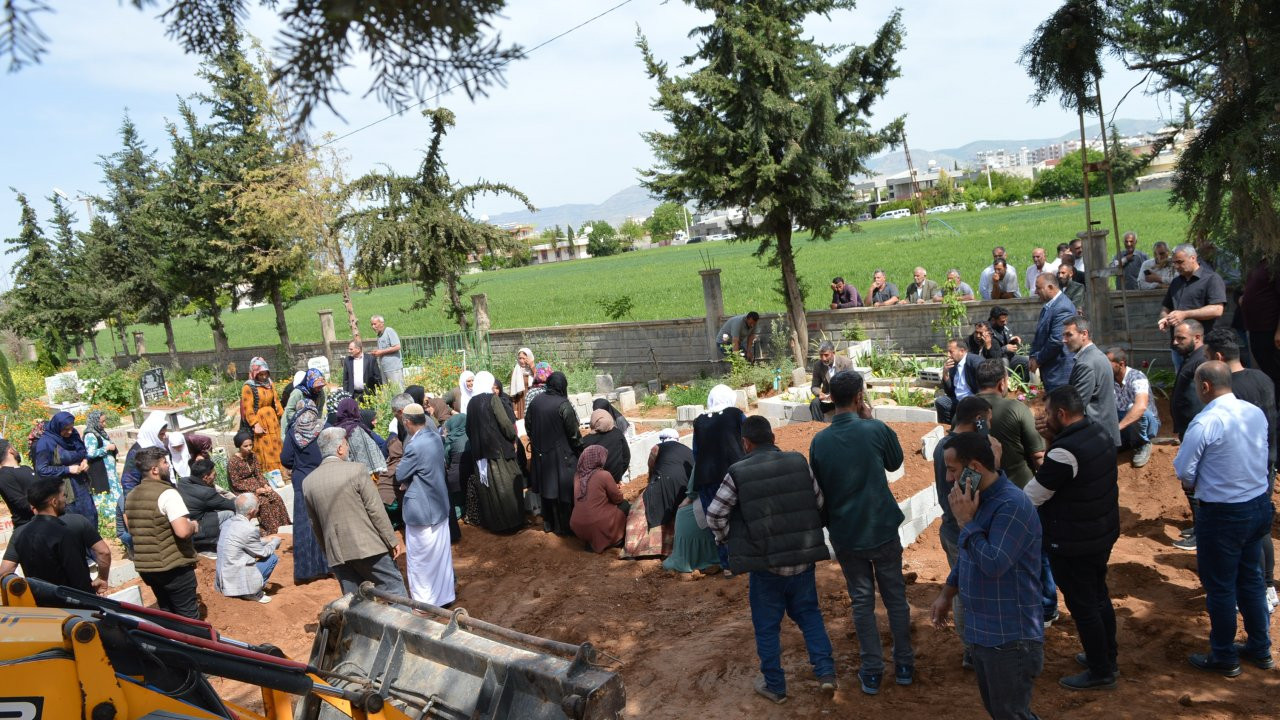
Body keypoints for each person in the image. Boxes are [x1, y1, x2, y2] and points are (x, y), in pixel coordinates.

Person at [706, 415, 836, 704]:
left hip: (766, 566)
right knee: (810, 615)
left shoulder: (737, 472)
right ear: (773, 438)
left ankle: (775, 686)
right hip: (802, 560)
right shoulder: (798, 461)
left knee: (767, 626)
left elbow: (714, 514)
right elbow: (818, 502)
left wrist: (728, 537)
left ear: (745, 443)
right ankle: (826, 673)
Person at [809, 371, 912, 694]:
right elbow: (895, 463)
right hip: (881, 528)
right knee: (895, 599)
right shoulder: (875, 429)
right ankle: (905, 665)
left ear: (830, 399)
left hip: (846, 533)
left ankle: (871, 670)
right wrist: (872, 418)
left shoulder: (820, 441)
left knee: (862, 601)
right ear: (859, 398)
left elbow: (820, 490)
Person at [930, 432, 1044, 720]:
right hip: (985, 632)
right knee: (1000, 711)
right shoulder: (977, 499)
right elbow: (969, 555)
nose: (948, 479)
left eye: (953, 470)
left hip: (1009, 639)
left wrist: (966, 522)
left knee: (1010, 714)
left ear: (976, 468)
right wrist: (947, 593)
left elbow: (993, 563)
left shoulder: (1011, 506)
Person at [1174, 361, 1274, 675]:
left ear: (1204, 386)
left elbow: (1184, 471)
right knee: (1252, 581)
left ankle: (1224, 656)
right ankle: (1260, 649)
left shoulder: (1206, 422)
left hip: (1224, 514)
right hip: (1257, 505)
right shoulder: (1253, 412)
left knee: (1220, 587)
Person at [1024, 386, 1121, 689]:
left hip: (1074, 541)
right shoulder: (1098, 431)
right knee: (1098, 596)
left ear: (1061, 415)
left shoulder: (1066, 453)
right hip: (1100, 534)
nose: (1043, 416)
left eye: (1047, 412)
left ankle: (1101, 671)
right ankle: (1107, 656)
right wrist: (1050, 439)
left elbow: (1032, 496)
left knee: (1084, 607)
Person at [1203, 328, 1278, 611]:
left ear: (1219, 357)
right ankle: (1268, 587)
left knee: (1240, 536)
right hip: (1266, 463)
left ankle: (1253, 589)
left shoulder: (1228, 391)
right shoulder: (1263, 378)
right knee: (1261, 530)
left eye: (1208, 357)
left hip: (1242, 472)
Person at [303, 428, 406, 595]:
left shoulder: (308, 482)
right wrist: (391, 540)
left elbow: (315, 524)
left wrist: (329, 551)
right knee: (393, 589)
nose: (348, 448)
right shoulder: (357, 470)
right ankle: (404, 622)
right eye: (346, 444)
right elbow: (375, 510)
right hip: (369, 547)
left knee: (355, 601)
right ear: (340, 449)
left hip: (338, 554)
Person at [933, 396, 995, 669]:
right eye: (988, 420)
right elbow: (973, 490)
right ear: (979, 419)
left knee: (961, 588)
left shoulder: (943, 445)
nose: (989, 425)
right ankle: (972, 649)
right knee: (964, 589)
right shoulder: (958, 451)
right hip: (962, 526)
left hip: (951, 524)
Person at [1, 475, 111, 594]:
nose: (66, 500)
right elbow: (103, 552)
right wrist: (102, 579)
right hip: (73, 602)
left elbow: (5, 571)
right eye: (64, 495)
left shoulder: (19, 533)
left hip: (40, 603)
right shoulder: (69, 527)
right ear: (54, 502)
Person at [125, 448, 200, 618]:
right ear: (155, 469)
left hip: (148, 569)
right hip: (173, 567)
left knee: (168, 612)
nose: (168, 465)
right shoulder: (167, 493)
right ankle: (193, 645)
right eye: (165, 462)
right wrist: (193, 525)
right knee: (189, 619)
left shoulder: (131, 495)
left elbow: (132, 529)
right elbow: (182, 531)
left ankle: (170, 642)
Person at [397, 403, 456, 607]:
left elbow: (400, 474)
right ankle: (444, 597)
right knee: (440, 556)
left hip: (422, 510)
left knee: (420, 559)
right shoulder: (435, 438)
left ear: (407, 422)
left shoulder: (414, 446)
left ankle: (425, 602)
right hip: (439, 505)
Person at [464, 371, 525, 533]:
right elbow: (505, 424)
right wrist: (513, 437)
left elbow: (468, 429)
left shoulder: (471, 403)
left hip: (480, 454)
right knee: (508, 486)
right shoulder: (493, 399)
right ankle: (513, 524)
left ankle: (496, 525)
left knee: (488, 490)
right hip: (499, 452)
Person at [692, 384, 746, 568]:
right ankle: (745, 559)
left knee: (717, 520)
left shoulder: (699, 421)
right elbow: (747, 440)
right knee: (740, 515)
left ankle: (727, 564)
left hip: (707, 479)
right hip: (734, 474)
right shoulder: (736, 414)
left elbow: (696, 452)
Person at [280, 391, 329, 583]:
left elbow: (285, 459)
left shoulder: (293, 431)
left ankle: (305, 571)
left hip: (302, 480)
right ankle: (327, 566)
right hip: (322, 478)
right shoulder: (323, 427)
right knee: (324, 521)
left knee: (303, 524)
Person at [526, 371, 583, 535]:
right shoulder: (563, 404)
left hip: (541, 454)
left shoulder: (536, 401)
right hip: (562, 455)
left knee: (546, 488)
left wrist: (538, 443)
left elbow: (529, 427)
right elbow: (573, 434)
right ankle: (564, 528)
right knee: (564, 490)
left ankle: (549, 523)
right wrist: (581, 449)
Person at [1158, 243, 1228, 373]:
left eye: (1180, 262)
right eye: (1174, 263)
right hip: (1178, 346)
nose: (1177, 266)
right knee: (1182, 382)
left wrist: (1185, 314)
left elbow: (1217, 309)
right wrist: (1164, 318)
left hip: (1202, 346)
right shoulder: (1176, 282)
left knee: (1205, 381)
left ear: (1193, 258)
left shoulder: (1211, 279)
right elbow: (1166, 307)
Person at [1170, 319, 1209, 551]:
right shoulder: (1191, 358)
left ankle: (1202, 532)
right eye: (1175, 337)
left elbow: (1202, 401)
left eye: (1180, 338)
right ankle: (1199, 526)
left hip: (1196, 429)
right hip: (1188, 428)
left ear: (1197, 338)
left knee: (1195, 483)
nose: (1175, 343)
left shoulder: (1202, 361)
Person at [975, 360, 1044, 489]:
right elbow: (1037, 455)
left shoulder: (963, 412)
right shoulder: (1016, 408)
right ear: (1002, 384)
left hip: (981, 490)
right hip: (1019, 488)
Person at [623, 428, 688, 560]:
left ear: (662, 439)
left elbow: (651, 469)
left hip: (663, 483)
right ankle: (675, 547)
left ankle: (633, 549)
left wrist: (649, 486)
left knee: (639, 511)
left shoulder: (657, 448)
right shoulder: (688, 450)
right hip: (685, 487)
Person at [1061, 317, 1121, 447]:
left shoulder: (1086, 363)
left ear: (1084, 334)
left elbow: (1076, 406)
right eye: (1063, 335)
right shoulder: (1097, 356)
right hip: (1102, 436)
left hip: (1095, 438)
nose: (1064, 340)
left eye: (1069, 335)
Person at [116, 410, 169, 552]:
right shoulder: (137, 452)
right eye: (161, 434)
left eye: (164, 433)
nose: (164, 437)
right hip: (144, 499)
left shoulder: (156, 446)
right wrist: (132, 507)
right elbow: (129, 481)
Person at [214, 493, 281, 603]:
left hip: (223, 579)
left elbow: (243, 541)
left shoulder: (227, 523)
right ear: (251, 511)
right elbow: (263, 553)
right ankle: (252, 592)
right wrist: (275, 542)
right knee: (272, 558)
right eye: (258, 506)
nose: (259, 508)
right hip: (236, 580)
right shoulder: (249, 529)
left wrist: (266, 539)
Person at [33, 411, 94, 529]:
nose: (70, 431)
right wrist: (67, 469)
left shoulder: (73, 435)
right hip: (65, 491)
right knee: (73, 525)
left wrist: (85, 460)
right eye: (66, 429)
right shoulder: (46, 443)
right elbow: (42, 470)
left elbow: (83, 451)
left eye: (71, 428)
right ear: (57, 427)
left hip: (82, 485)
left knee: (90, 519)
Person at [227, 430, 290, 536]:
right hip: (242, 489)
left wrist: (265, 485)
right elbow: (235, 483)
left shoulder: (252, 456)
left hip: (256, 484)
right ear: (239, 446)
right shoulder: (233, 462)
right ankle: (270, 529)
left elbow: (258, 474)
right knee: (263, 502)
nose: (249, 448)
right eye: (245, 446)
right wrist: (255, 490)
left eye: (250, 445)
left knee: (275, 497)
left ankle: (282, 524)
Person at [1106, 347, 1159, 467]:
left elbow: (1140, 407)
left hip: (1146, 423)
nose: (1104, 366)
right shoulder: (1109, 379)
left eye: (1108, 363)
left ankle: (1142, 443)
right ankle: (1125, 443)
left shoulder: (1137, 377)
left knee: (1133, 408)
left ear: (1121, 364)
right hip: (1125, 424)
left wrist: (1117, 428)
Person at [570, 445, 627, 553]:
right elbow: (617, 499)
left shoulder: (577, 476)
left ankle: (591, 542)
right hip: (597, 524)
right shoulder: (604, 475)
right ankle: (616, 539)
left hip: (577, 525)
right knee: (625, 506)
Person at [176, 458, 235, 555]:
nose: (215, 477)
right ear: (205, 477)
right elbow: (231, 505)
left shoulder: (183, 482)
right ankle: (220, 545)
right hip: (196, 527)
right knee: (230, 514)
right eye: (214, 474)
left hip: (185, 522)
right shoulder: (206, 493)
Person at [1030, 273, 1077, 391]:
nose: (1036, 292)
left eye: (1038, 288)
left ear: (1050, 288)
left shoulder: (1062, 307)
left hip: (1059, 373)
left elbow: (1056, 340)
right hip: (1052, 371)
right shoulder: (1050, 306)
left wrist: (1038, 359)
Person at [1240, 258, 1280, 398]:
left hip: (1270, 329)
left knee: (1274, 372)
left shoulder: (1275, 264)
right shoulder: (1261, 262)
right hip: (1256, 328)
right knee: (1266, 371)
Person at [240, 357, 284, 473]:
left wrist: (281, 414)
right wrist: (255, 424)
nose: (264, 377)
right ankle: (269, 473)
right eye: (261, 374)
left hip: (272, 420)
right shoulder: (248, 386)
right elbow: (247, 407)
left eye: (266, 374)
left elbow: (276, 400)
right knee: (265, 448)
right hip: (260, 421)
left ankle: (280, 471)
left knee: (276, 445)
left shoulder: (269, 383)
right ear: (255, 374)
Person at [333, 396, 387, 475]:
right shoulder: (356, 429)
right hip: (362, 476)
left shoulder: (334, 430)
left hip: (343, 475)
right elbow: (369, 454)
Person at [936, 338, 981, 425]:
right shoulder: (953, 365)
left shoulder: (975, 362)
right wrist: (945, 374)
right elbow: (950, 392)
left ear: (962, 351)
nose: (948, 355)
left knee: (956, 423)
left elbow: (983, 386)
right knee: (941, 402)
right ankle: (945, 427)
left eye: (951, 351)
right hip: (958, 400)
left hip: (972, 401)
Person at [83, 410, 120, 515]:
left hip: (109, 472)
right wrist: (106, 448)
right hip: (101, 471)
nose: (104, 424)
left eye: (105, 421)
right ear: (95, 422)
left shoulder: (100, 432)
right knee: (105, 494)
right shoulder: (90, 435)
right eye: (102, 422)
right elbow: (90, 453)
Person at [808, 341, 853, 422]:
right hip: (827, 399)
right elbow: (814, 386)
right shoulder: (818, 365)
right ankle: (818, 428)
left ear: (833, 353)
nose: (823, 358)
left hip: (843, 398)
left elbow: (851, 384)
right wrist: (820, 393)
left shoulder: (846, 363)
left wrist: (838, 395)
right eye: (821, 355)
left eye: (826, 355)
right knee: (815, 403)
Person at [582, 409, 630, 484]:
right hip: (614, 479)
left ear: (592, 422)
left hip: (596, 484)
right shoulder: (617, 433)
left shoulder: (585, 441)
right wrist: (618, 475)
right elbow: (626, 457)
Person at [0, 439, 36, 530]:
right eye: (14, 447)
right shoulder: (3, 476)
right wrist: (46, 506)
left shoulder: (26, 468)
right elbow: (21, 503)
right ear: (10, 450)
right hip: (27, 527)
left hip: (45, 520)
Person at [369, 315, 404, 391]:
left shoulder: (389, 331)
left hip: (393, 368)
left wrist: (381, 352)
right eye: (371, 324)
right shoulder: (379, 336)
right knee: (387, 393)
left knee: (398, 391)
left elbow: (397, 346)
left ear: (382, 323)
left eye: (375, 324)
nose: (373, 326)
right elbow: (383, 351)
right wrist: (376, 352)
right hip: (384, 368)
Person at [342, 340, 381, 404]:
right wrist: (345, 395)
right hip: (353, 395)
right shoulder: (347, 360)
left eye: (351, 349)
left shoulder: (370, 359)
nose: (349, 351)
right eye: (349, 349)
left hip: (368, 394)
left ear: (358, 349)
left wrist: (379, 393)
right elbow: (345, 380)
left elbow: (377, 377)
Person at [509, 347, 536, 418]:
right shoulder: (516, 371)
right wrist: (515, 409)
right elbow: (513, 392)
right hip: (521, 402)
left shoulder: (535, 370)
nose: (521, 361)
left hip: (533, 401)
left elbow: (540, 380)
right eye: (520, 358)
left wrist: (532, 366)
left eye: (524, 358)